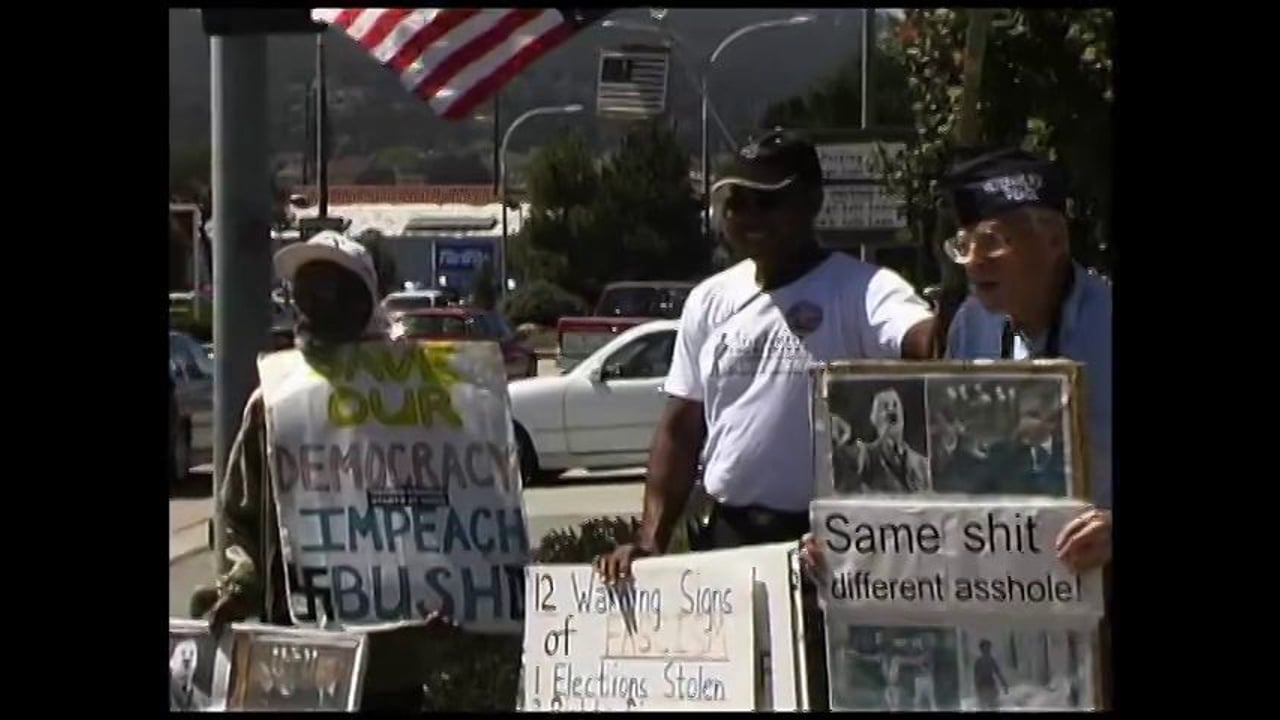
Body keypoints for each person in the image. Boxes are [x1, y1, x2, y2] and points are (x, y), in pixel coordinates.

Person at [593, 129, 936, 709]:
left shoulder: (865, 289)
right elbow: (680, 427)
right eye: (736, 201)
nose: (749, 214)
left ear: (811, 202)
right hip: (726, 541)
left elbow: (923, 342)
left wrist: (953, 310)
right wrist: (650, 541)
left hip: (828, 551)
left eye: (768, 199)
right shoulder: (709, 300)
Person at [190, 231, 493, 711]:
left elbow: (456, 503)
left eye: (332, 289)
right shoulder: (272, 402)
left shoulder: (418, 398)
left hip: (391, 657)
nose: (316, 303)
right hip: (296, 656)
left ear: (363, 299)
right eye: (306, 290)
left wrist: (456, 588)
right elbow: (240, 516)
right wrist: (240, 583)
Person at [938, 147, 1112, 574]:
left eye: (993, 242)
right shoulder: (970, 323)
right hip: (1007, 577)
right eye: (965, 245)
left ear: (1055, 240)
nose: (974, 262)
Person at [832, 388, 931, 493]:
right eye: (885, 406)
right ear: (874, 419)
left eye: (895, 405)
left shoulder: (922, 464)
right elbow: (842, 460)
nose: (891, 411)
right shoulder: (865, 455)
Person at [973, 639, 1009, 709]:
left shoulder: (992, 660)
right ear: (982, 650)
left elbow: (998, 673)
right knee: (984, 707)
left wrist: (1004, 684)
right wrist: (977, 689)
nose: (988, 650)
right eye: (986, 648)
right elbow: (976, 677)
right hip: (982, 688)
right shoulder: (978, 662)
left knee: (993, 706)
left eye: (989, 648)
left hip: (991, 686)